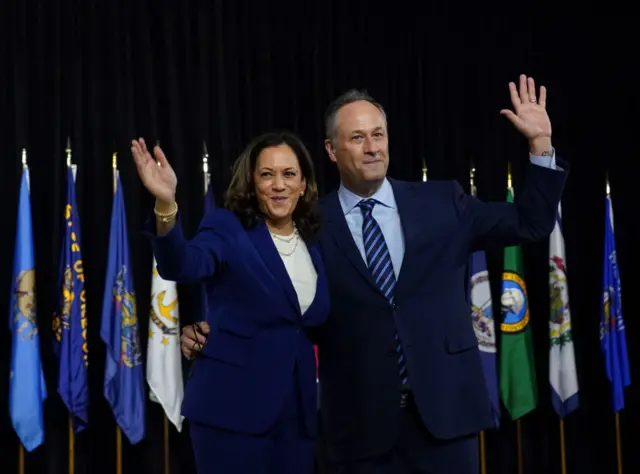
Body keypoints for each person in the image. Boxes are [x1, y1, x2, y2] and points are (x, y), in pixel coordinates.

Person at [180, 75, 568, 473]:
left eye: (378, 134)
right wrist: (213, 333)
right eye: (358, 138)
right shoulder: (308, 224)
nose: (372, 148)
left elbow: (531, 223)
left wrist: (540, 145)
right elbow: (279, 307)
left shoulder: (444, 202)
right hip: (358, 428)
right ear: (332, 150)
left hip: (446, 420)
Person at [132, 131, 330, 474]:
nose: (279, 185)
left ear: (304, 184)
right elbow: (183, 263)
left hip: (297, 420)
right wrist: (166, 205)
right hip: (232, 413)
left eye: (289, 174)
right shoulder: (228, 228)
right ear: (252, 184)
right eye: (267, 175)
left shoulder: (316, 243)